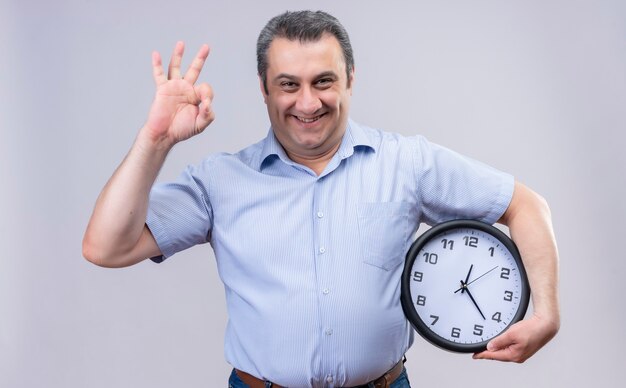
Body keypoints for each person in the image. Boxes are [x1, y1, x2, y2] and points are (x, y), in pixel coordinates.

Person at [83, 10, 560, 388]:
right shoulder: (219, 181)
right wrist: (156, 140)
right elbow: (107, 248)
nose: (307, 103)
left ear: (350, 78)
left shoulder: (407, 163)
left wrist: (546, 315)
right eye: (288, 84)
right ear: (264, 89)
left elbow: (526, 206)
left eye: (323, 81)